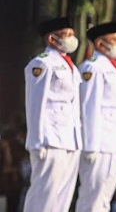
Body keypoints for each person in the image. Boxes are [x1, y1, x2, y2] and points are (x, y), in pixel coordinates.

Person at [23, 17, 82, 212]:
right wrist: (35, 142)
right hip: (49, 139)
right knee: (44, 196)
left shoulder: (71, 67)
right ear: (51, 38)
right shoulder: (41, 64)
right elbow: (35, 104)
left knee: (62, 199)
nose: (72, 39)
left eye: (73, 34)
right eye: (67, 35)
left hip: (70, 139)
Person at [76, 22, 116, 212]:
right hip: (98, 145)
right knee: (91, 199)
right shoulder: (92, 68)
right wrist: (89, 146)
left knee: (104, 200)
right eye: (115, 40)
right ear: (100, 44)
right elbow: (88, 108)